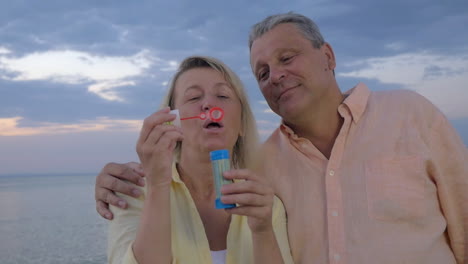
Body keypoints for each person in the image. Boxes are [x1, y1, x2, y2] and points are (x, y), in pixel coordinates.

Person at [96, 13, 468, 264]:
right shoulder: (264, 168)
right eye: (262, 72)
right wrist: (127, 179)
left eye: (287, 58)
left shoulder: (410, 113)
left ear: (328, 56)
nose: (275, 75)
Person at [106, 55, 293, 264]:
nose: (208, 104)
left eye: (222, 96)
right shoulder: (134, 194)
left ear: (241, 124)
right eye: (194, 98)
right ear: (172, 121)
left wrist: (262, 230)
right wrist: (158, 184)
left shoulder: (266, 205)